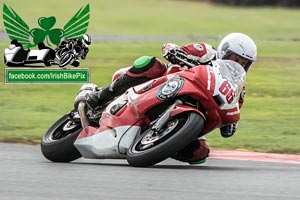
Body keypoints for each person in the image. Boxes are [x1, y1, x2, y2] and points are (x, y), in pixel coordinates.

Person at [75, 32, 257, 164]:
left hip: (195, 109)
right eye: (235, 58)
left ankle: (159, 143)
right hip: (167, 82)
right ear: (224, 52)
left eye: (243, 63)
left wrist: (231, 123)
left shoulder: (238, 87)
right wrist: (176, 53)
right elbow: (171, 48)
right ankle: (100, 96)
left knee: (200, 153)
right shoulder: (206, 51)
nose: (237, 64)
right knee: (150, 63)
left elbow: (233, 113)